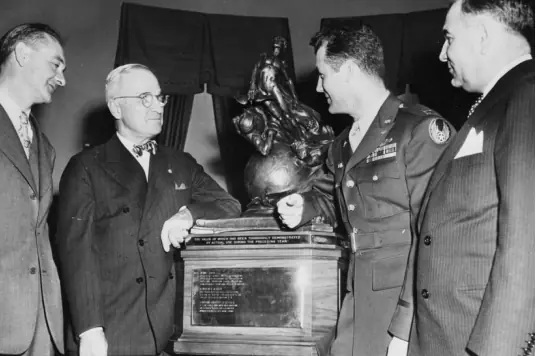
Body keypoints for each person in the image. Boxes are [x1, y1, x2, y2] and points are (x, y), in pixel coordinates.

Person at [277, 26, 455, 356]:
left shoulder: (418, 130)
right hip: (357, 294)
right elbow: (332, 197)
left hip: (407, 301)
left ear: (348, 71)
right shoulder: (341, 144)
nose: (319, 86)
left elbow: (438, 235)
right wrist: (304, 205)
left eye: (323, 75)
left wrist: (405, 328)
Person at [56, 63, 241, 356]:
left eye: (160, 97)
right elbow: (76, 254)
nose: (158, 106)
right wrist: (90, 332)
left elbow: (229, 205)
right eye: (145, 98)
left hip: (168, 332)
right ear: (116, 107)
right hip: (111, 331)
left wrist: (188, 214)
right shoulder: (86, 166)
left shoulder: (181, 162)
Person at [400, 1, 535, 355]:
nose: (443, 53)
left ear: (483, 37)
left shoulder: (526, 95)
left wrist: (498, 350)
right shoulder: (492, 103)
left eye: (449, 38)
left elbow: (527, 239)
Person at [0, 23, 66, 356]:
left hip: (41, 327)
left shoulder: (44, 145)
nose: (63, 78)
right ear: (23, 54)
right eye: (56, 64)